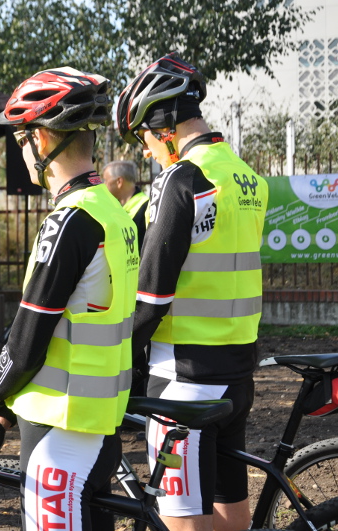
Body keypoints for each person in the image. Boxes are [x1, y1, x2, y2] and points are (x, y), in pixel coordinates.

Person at [0, 67, 139, 531]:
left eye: (20, 138)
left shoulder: (70, 220)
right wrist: (3, 415)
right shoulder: (115, 214)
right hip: (98, 423)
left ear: (41, 140)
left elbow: (25, 341)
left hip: (60, 430)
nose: (21, 150)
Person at [116, 52, 269, 531]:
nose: (147, 151)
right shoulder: (247, 178)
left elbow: (152, 295)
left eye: (144, 137)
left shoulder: (182, 180)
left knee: (182, 524)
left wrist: (114, 351)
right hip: (238, 370)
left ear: (163, 127)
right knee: (231, 516)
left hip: (183, 379)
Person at [102, 160, 148, 250]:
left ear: (119, 181)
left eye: (106, 180)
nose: (104, 185)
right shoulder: (115, 207)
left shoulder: (146, 206)